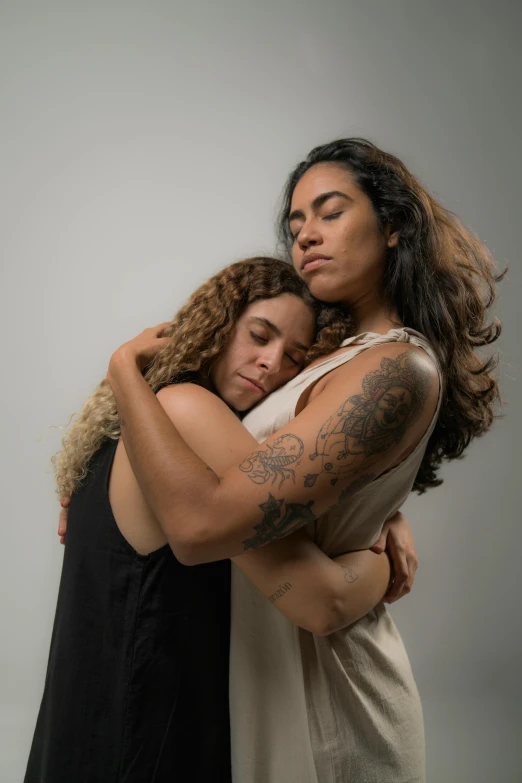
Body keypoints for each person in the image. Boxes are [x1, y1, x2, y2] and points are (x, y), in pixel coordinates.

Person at [104, 138, 501, 782]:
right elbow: (286, 471)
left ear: (394, 226)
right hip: (265, 686)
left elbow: (205, 525)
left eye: (329, 212)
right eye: (295, 224)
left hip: (333, 710)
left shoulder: (396, 367)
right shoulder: (326, 359)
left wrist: (125, 370)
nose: (305, 236)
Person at [26, 257, 411, 783]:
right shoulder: (188, 412)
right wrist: (384, 561)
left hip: (79, 741)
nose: (271, 363)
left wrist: (386, 511)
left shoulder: (132, 420)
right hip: (150, 748)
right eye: (259, 335)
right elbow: (322, 604)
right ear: (218, 326)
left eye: (294, 357)